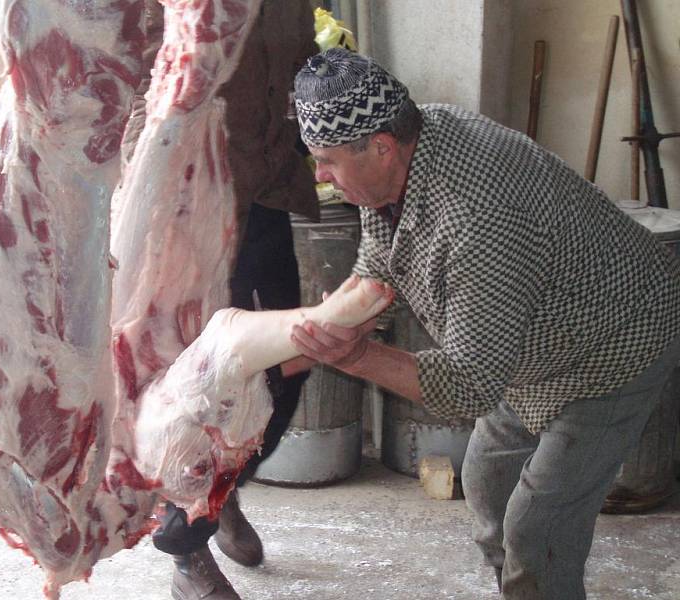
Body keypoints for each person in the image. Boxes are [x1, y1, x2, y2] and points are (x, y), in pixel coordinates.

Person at [287, 47, 680, 600]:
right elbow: (381, 260)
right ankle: (520, 588)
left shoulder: (479, 216)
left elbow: (468, 385)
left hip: (614, 343)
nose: (320, 176)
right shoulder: (407, 148)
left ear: (380, 147)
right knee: (488, 482)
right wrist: (334, 321)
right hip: (531, 340)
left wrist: (353, 356)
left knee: (539, 524)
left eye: (325, 161)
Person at [119, 2, 320, 599]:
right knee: (196, 382)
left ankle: (219, 492)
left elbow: (299, 69)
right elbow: (133, 75)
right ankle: (186, 547)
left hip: (267, 194)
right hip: (186, 200)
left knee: (285, 371)